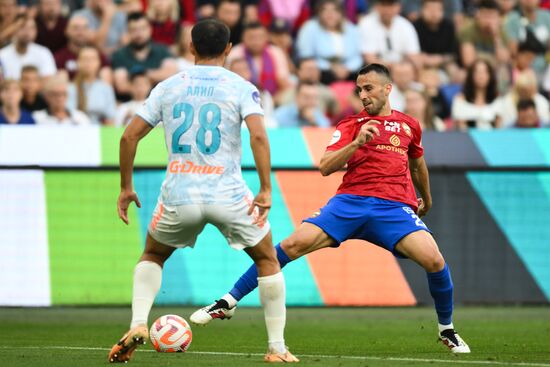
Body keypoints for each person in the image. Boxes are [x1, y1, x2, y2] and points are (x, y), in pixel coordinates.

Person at [190, 63, 471, 355]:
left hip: (393, 207)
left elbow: (417, 164)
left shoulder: (409, 125)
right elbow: (325, 166)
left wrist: (427, 197)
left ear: (388, 89)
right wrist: (358, 143)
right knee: (290, 245)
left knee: (435, 261)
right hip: (349, 203)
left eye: (369, 88)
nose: (363, 95)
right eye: (359, 89)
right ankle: (227, 302)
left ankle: (446, 330)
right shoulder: (350, 125)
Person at [108, 18, 298, 364]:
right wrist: (266, 187)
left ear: (191, 48)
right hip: (227, 193)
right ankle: (276, 348)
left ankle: (138, 323)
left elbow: (128, 136)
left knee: (153, 255)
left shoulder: (167, 87)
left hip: (178, 192)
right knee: (267, 260)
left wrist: (125, 187)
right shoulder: (241, 87)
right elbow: (257, 135)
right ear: (229, 49)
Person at [296, 0, 362, 85]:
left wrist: (347, 68)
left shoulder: (351, 29)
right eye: (325, 10)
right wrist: (331, 67)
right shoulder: (310, 28)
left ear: (341, 13)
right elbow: (306, 57)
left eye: (334, 10)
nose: (330, 14)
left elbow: (357, 56)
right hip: (322, 71)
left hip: (349, 71)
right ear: (319, 13)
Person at [68, 46, 117, 125]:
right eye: (84, 59)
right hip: (76, 131)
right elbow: (68, 114)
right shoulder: (70, 88)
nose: (88, 63)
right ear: (78, 62)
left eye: (92, 59)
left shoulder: (106, 88)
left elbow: (111, 118)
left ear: (99, 63)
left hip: (100, 132)